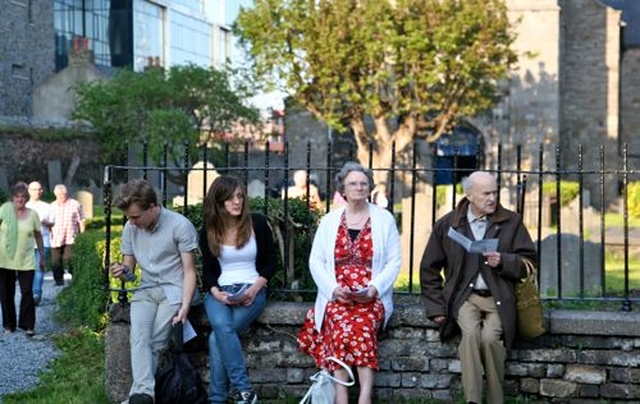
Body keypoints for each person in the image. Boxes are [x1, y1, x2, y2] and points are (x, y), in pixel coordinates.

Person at [419, 171, 537, 404]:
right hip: (465, 298)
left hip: (499, 298)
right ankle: (473, 401)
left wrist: (504, 261)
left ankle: (495, 400)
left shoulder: (512, 222)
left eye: (494, 192)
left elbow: (530, 263)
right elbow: (429, 269)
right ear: (470, 195)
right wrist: (436, 308)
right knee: (470, 335)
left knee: (490, 340)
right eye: (486, 193)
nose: (492, 198)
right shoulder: (449, 224)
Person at [297, 162, 401, 404]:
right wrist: (332, 290)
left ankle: (365, 396)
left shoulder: (384, 219)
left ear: (370, 187)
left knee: (363, 327)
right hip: (337, 295)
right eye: (353, 183)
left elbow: (394, 262)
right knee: (340, 324)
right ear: (343, 188)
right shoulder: (330, 220)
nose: (359, 187)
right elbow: (316, 261)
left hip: (370, 295)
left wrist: (374, 288)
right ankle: (341, 396)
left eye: (364, 183)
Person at [110, 179, 198, 404]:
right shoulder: (131, 228)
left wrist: (185, 306)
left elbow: (189, 272)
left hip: (175, 291)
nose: (131, 221)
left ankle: (138, 398)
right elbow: (130, 270)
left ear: (152, 207)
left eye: (135, 216)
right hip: (146, 289)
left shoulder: (180, 225)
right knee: (138, 338)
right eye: (129, 216)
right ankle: (144, 396)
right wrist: (123, 271)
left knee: (156, 342)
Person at [200, 175, 277, 404]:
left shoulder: (258, 223)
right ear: (218, 200)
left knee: (217, 338)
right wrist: (215, 293)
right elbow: (208, 271)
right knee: (222, 327)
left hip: (251, 289)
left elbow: (271, 262)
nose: (237, 202)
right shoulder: (209, 230)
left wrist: (254, 290)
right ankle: (245, 391)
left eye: (240, 196)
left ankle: (218, 399)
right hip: (220, 292)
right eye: (230, 197)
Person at [0, 182, 44, 337]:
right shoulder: (4, 210)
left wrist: (42, 256)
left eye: (23, 197)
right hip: (4, 259)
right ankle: (8, 325)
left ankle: (28, 325)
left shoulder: (33, 214)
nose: (20, 199)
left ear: (27, 199)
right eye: (17, 196)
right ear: (12, 198)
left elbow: (38, 235)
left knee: (27, 292)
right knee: (6, 293)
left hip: (26, 259)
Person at [50, 184, 85, 286]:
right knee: (56, 261)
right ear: (55, 195)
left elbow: (81, 220)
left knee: (70, 258)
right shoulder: (51, 206)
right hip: (55, 238)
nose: (61, 196)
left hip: (71, 237)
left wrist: (82, 235)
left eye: (63, 194)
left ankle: (74, 275)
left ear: (66, 193)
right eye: (59, 195)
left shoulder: (75, 204)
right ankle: (58, 280)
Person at [27, 181, 54, 306]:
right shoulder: (24, 206)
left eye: (38, 189)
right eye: (34, 189)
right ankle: (29, 293)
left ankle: (36, 294)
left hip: (44, 241)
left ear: (41, 191)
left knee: (39, 267)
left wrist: (46, 223)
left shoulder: (47, 206)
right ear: (29, 191)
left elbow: (53, 223)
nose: (36, 192)